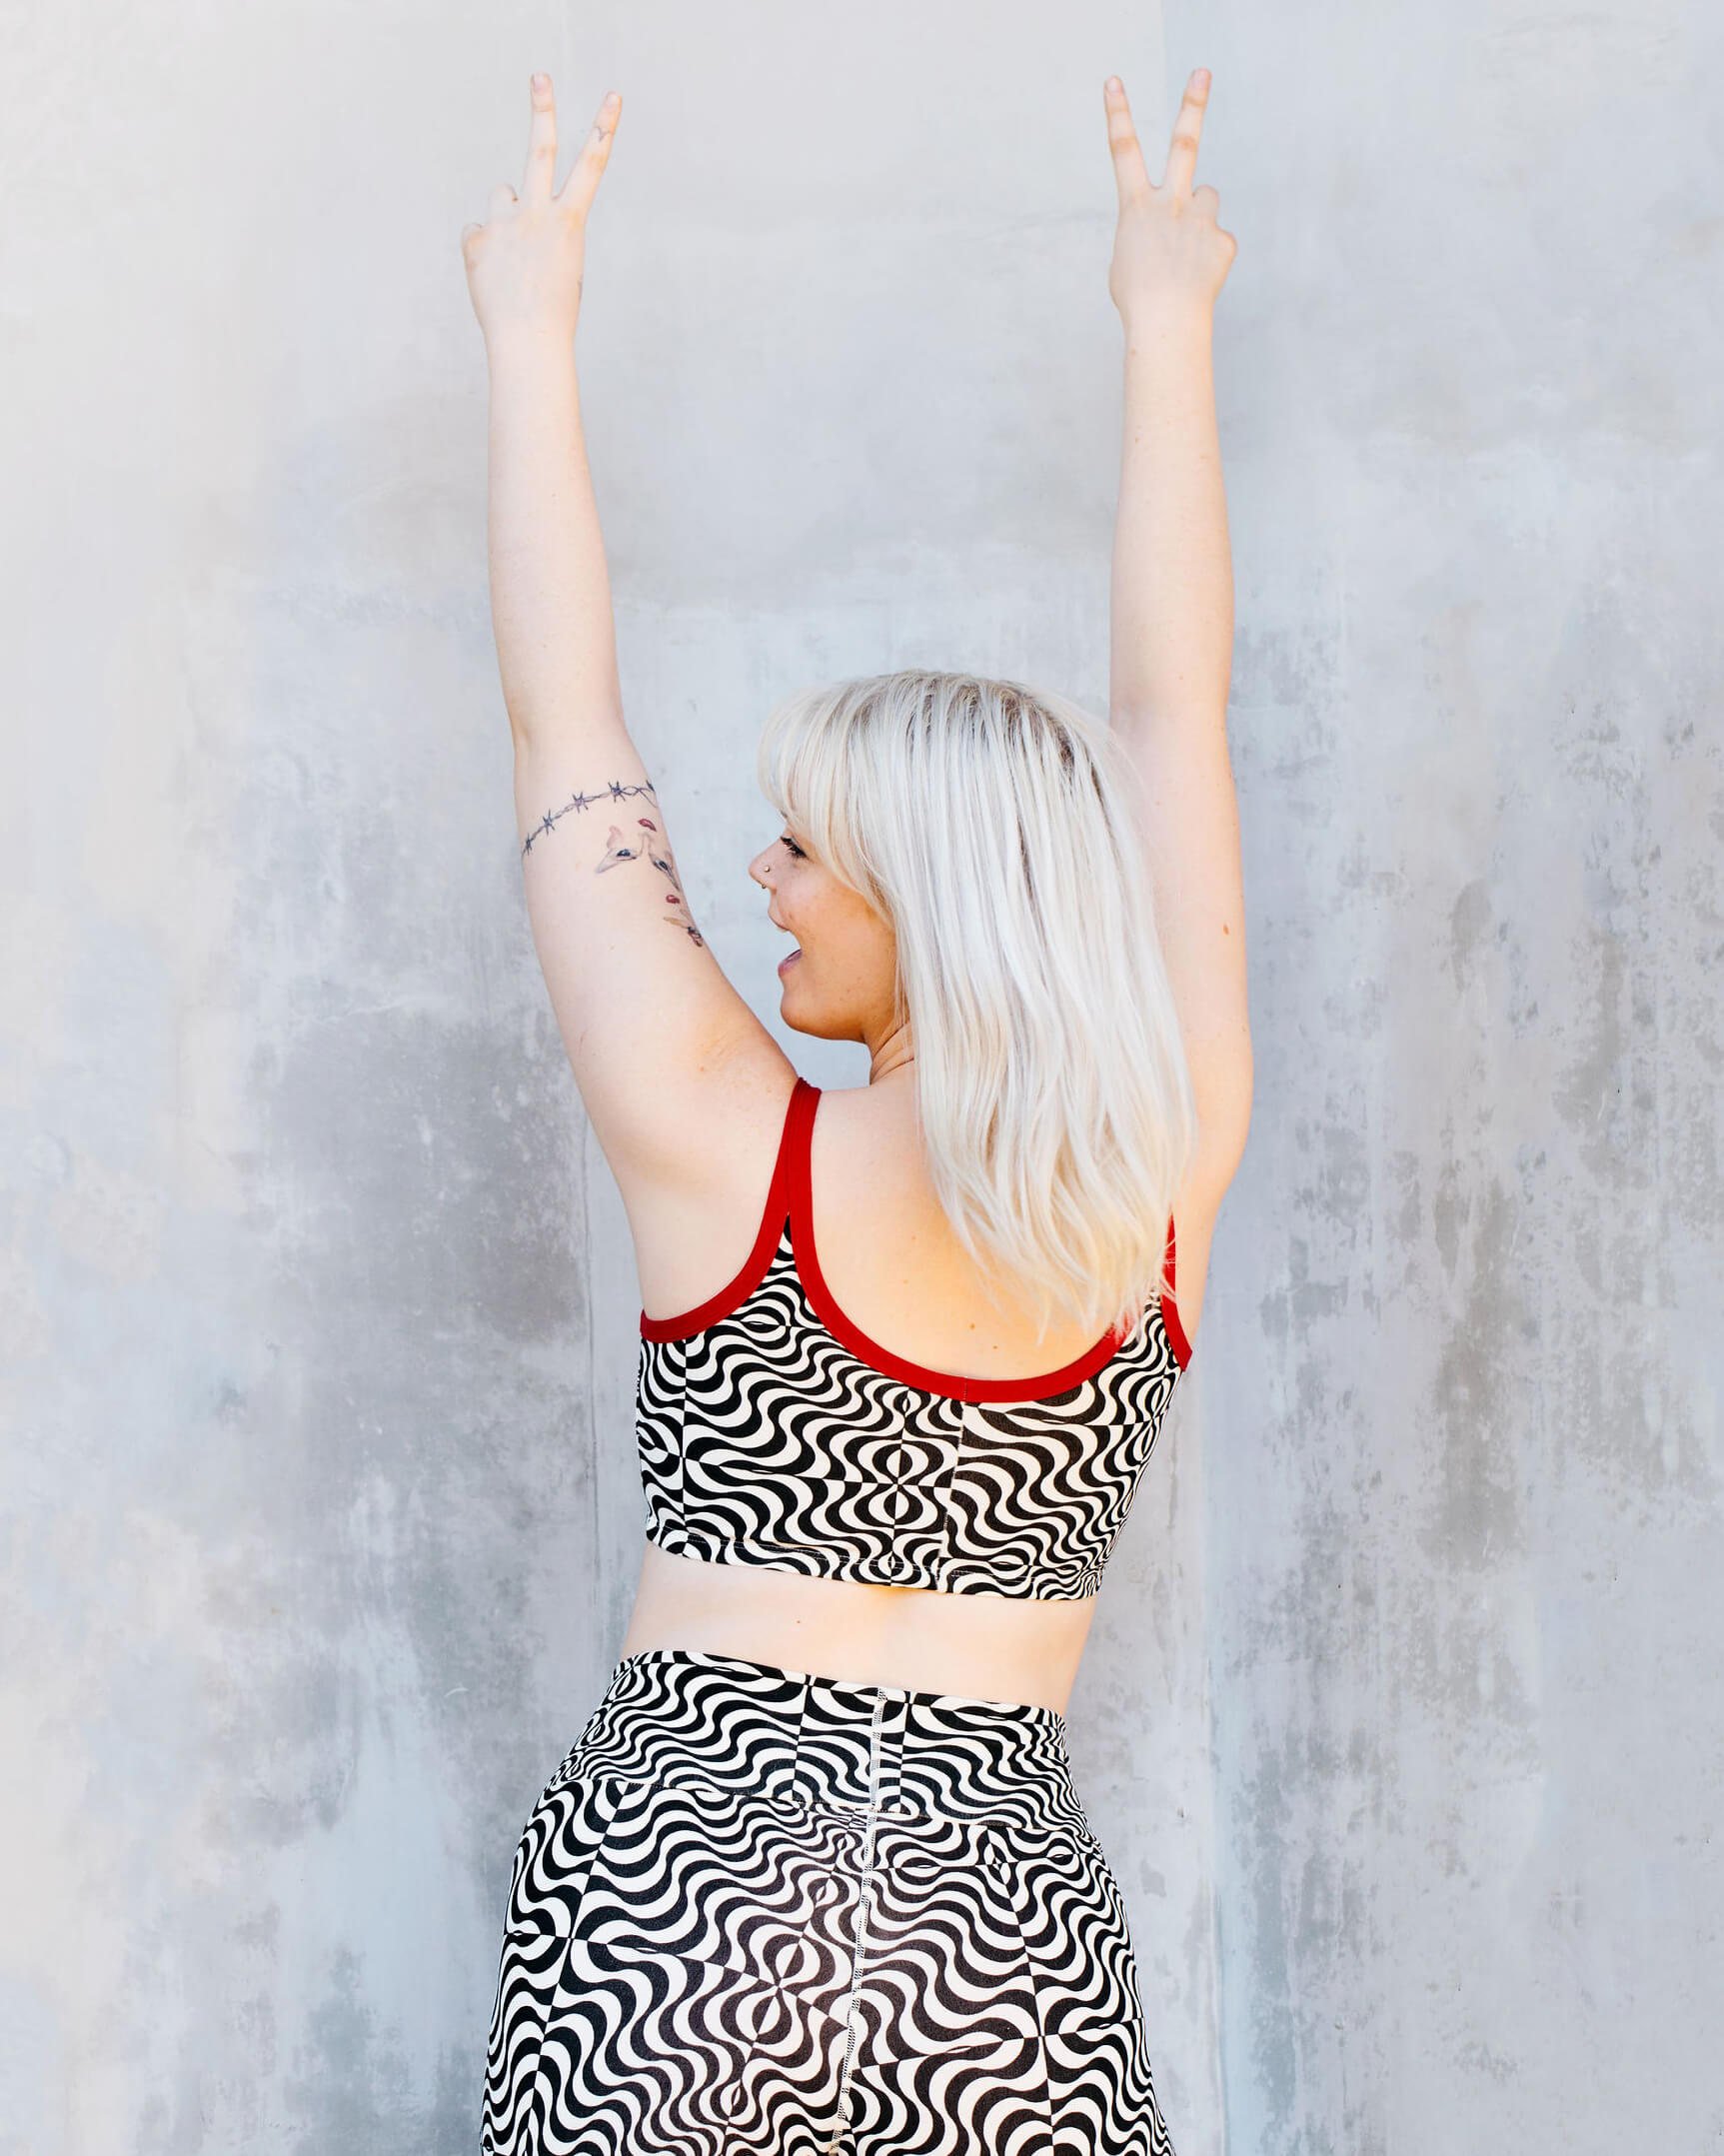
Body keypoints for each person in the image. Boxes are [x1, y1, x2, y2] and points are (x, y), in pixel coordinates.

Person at [460, 59, 1247, 2156]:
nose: (762, 883)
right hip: (1001, 1943)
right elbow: (1174, 714)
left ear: (925, 893)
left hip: (675, 1911)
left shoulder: (732, 1142)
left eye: (809, 849)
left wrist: (527, 336)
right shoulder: (1160, 1168)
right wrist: (1162, 326)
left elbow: (564, 715)